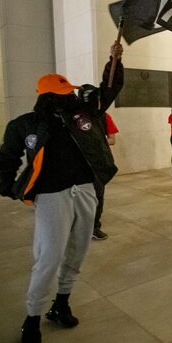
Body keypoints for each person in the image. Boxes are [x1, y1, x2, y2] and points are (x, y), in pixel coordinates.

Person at [0, 42, 124, 343]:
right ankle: (32, 316)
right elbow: (6, 159)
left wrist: (114, 60)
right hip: (52, 197)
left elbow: (110, 87)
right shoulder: (25, 125)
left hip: (87, 191)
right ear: (49, 95)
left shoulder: (84, 113)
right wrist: (9, 186)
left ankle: (61, 304)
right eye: (65, 92)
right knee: (48, 258)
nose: (72, 95)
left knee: (78, 251)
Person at [77, 83, 120, 241]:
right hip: (78, 163)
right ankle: (79, 227)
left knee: (97, 196)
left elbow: (112, 140)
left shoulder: (104, 116)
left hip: (97, 164)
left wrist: (96, 142)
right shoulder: (72, 117)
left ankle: (94, 227)